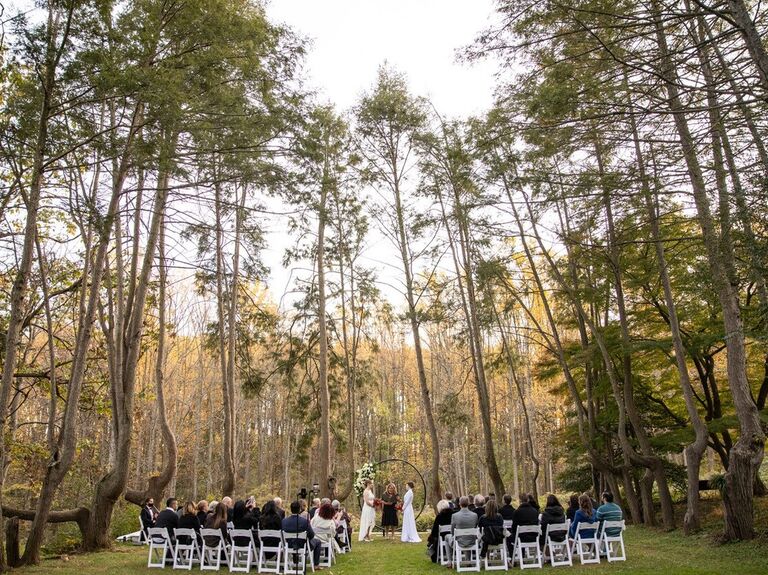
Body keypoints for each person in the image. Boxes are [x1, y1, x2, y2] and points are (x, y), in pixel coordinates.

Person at [283, 500, 321, 566]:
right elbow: (311, 535)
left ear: (291, 509)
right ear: (299, 509)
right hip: (302, 545)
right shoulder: (304, 521)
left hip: (288, 544)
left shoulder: (284, 521)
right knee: (318, 542)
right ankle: (316, 564)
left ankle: (295, 556)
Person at [446, 496, 479, 564]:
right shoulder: (474, 515)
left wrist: (453, 535)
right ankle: (468, 561)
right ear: (468, 503)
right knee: (467, 536)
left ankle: (449, 561)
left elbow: (452, 532)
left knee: (447, 537)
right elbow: (475, 528)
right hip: (472, 541)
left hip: (459, 542)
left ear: (459, 504)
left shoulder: (455, 516)